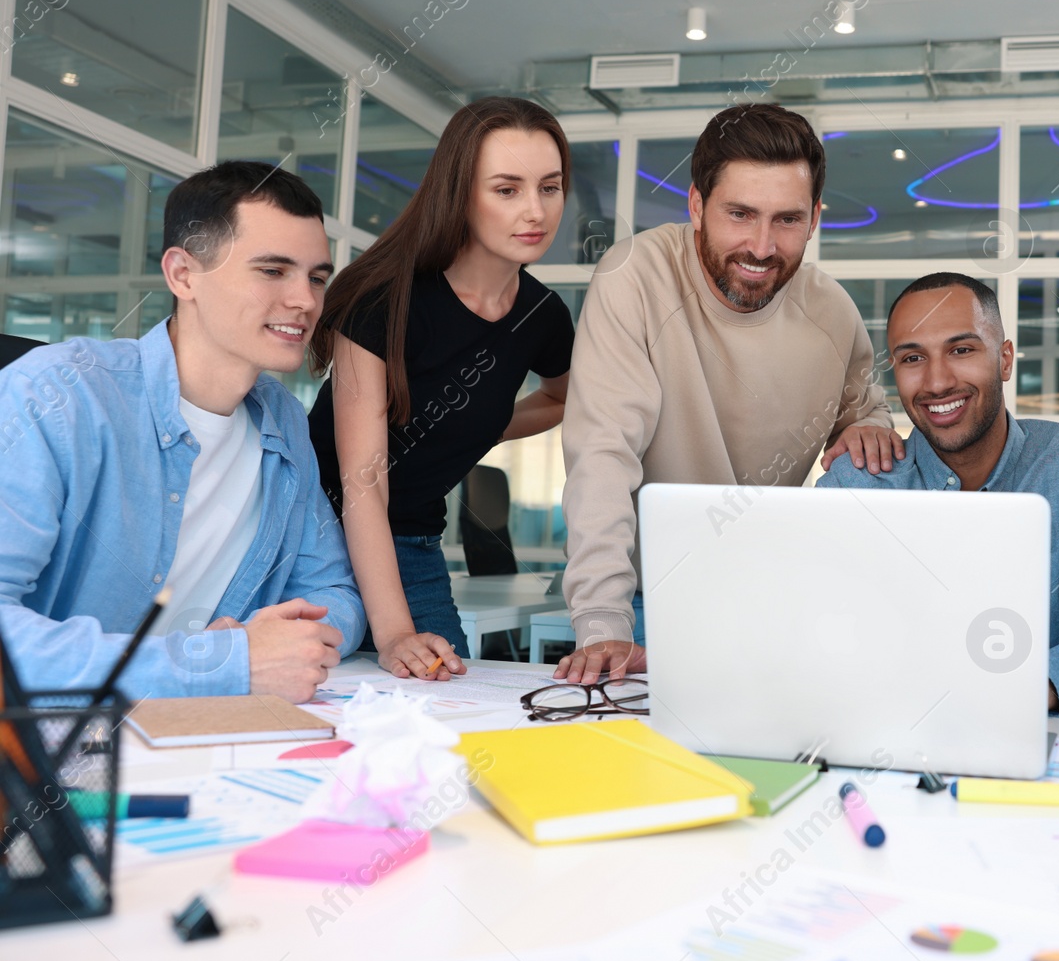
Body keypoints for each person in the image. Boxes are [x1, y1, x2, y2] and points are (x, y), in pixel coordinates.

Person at [556, 103, 902, 683]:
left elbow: (863, 414)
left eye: (787, 220)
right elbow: (603, 455)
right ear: (696, 205)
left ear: (815, 218)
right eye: (740, 214)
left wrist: (868, 428)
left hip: (772, 603)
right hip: (644, 600)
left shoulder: (832, 312)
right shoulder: (635, 276)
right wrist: (602, 620)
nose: (762, 247)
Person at [0, 162, 363, 702]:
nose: (306, 302)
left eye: (316, 277)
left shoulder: (283, 420)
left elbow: (333, 591)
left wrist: (276, 645)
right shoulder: (57, 395)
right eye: (272, 271)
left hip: (201, 734)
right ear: (183, 275)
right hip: (59, 755)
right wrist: (219, 663)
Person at [818, 273, 1059, 712]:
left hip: (1039, 744)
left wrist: (999, 694)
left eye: (961, 350)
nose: (936, 382)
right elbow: (816, 634)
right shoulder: (854, 486)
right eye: (913, 358)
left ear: (1005, 360)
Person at [308, 98, 574, 681]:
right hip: (311, 543)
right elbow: (362, 487)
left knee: (454, 716)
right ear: (460, 193)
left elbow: (561, 398)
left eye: (550, 188)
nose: (535, 210)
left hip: (413, 545)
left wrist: (468, 426)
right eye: (507, 190)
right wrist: (396, 632)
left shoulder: (544, 317)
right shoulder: (386, 297)